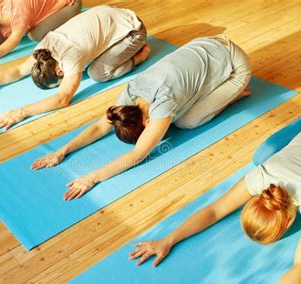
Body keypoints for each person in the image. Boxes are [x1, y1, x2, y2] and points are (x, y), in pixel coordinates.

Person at [128, 99, 301, 284]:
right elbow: (213, 212)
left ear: (290, 221)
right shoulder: (264, 177)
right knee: (263, 156)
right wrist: (168, 239)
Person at [31, 35, 252, 201]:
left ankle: (231, 94)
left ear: (146, 123)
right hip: (204, 44)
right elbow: (99, 128)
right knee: (179, 111)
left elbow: (138, 155)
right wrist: (61, 151)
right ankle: (213, 89)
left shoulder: (163, 105)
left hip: (234, 64)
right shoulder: (129, 97)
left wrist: (92, 177)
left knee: (186, 122)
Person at [0, 5, 151, 130]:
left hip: (133, 29)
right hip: (109, 15)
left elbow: (62, 99)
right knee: (90, 63)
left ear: (60, 71)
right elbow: (18, 71)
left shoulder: (71, 57)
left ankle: (140, 55)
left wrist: (20, 112)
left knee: (97, 73)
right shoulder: (44, 48)